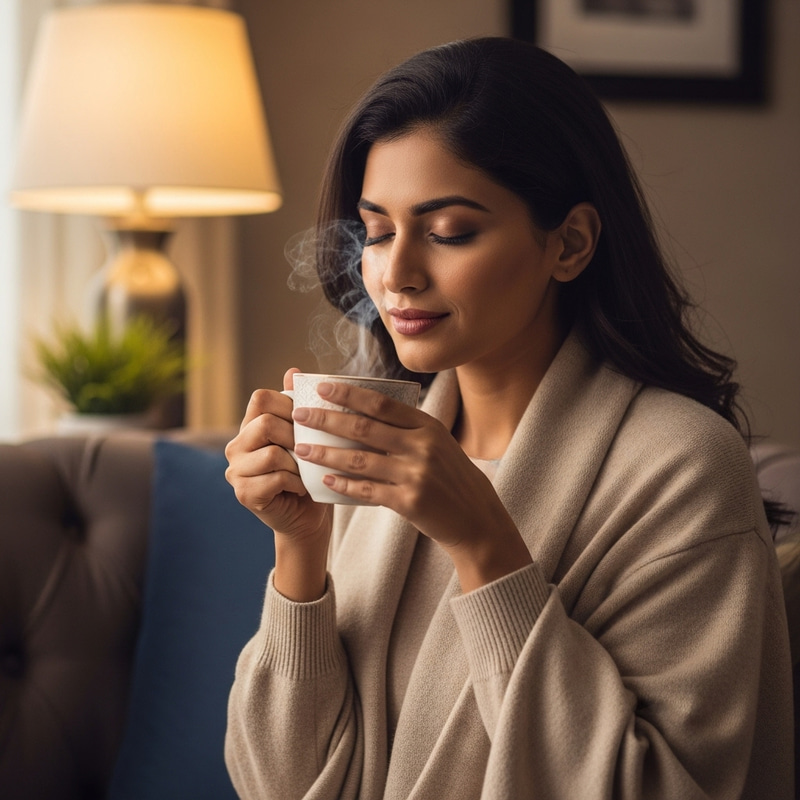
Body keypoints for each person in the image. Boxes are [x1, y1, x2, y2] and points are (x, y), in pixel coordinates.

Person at [223, 37, 794, 799]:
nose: (396, 274)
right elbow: (280, 785)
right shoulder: (381, 454)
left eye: (449, 231)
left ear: (571, 242)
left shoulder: (683, 467)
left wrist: (485, 545)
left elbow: (657, 786)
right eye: (379, 231)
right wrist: (300, 554)